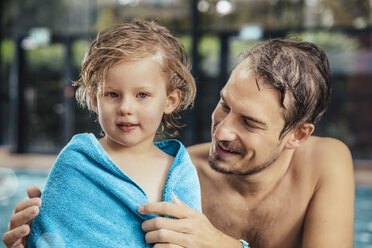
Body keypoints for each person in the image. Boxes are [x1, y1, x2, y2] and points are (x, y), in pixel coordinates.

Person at [3, 38, 354, 248]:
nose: (222, 131)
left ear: (297, 135)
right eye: (224, 105)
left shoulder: (324, 164)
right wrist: (37, 234)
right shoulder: (178, 172)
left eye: (249, 122)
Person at [12, 19, 202, 248]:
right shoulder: (77, 161)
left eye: (142, 95)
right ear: (95, 100)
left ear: (170, 101)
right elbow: (51, 234)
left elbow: (191, 238)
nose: (125, 108)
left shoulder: (181, 172)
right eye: (112, 94)